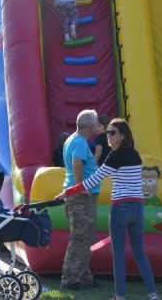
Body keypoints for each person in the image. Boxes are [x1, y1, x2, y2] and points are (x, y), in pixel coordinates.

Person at [57, 118, 161, 300]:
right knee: (140, 253)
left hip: (120, 207)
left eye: (112, 133)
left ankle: (120, 297)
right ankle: (153, 295)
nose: (109, 136)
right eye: (108, 132)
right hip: (137, 207)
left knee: (118, 255)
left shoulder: (114, 157)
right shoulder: (135, 155)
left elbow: (92, 180)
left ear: (122, 136)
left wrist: (67, 192)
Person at [58, 109, 101, 291]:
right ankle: (70, 279)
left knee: (86, 238)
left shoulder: (72, 139)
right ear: (91, 126)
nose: (98, 126)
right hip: (80, 197)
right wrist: (81, 186)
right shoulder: (80, 142)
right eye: (97, 123)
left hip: (78, 196)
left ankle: (84, 277)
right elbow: (76, 161)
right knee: (80, 238)